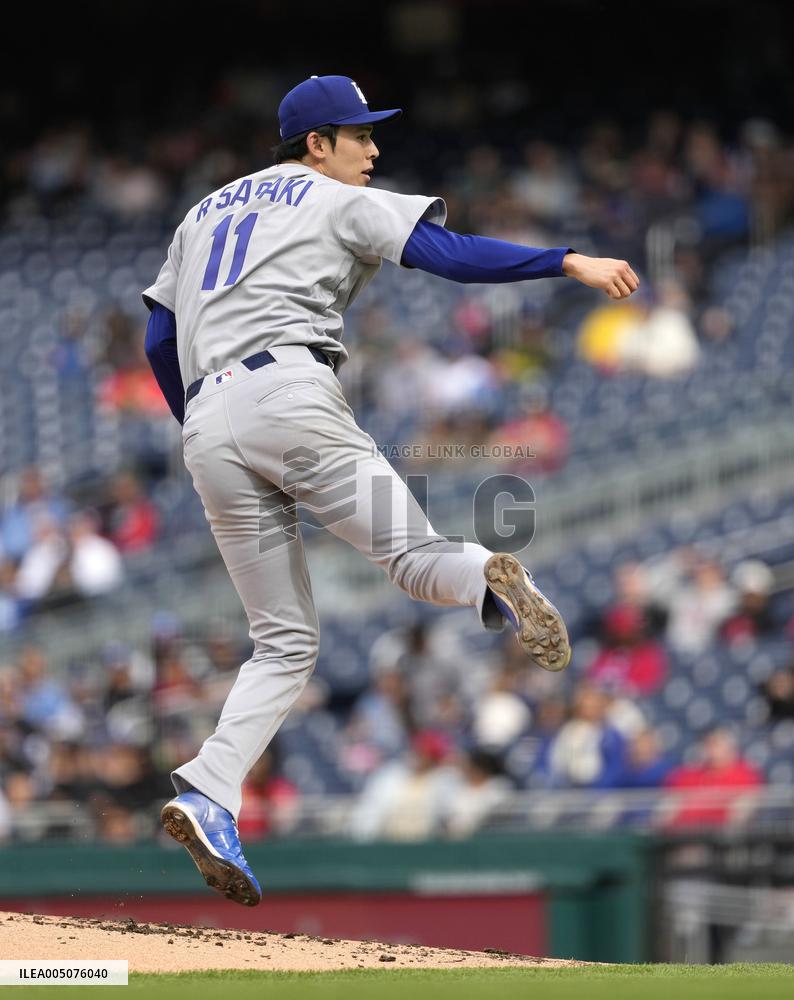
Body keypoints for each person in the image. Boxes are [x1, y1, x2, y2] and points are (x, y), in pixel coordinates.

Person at [144, 75, 639, 906]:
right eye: (357, 134)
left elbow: (162, 337)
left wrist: (202, 422)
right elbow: (447, 256)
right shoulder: (329, 195)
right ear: (315, 144)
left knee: (284, 641)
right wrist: (566, 260)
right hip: (288, 390)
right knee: (412, 558)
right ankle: (486, 569)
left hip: (208, 420)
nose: (372, 149)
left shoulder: (202, 213)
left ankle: (206, 796)